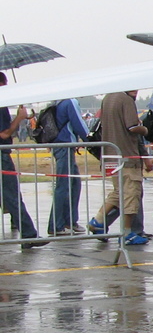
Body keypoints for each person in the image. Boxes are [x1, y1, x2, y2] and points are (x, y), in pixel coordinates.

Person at [88, 88, 150, 244]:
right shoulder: (126, 100)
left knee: (118, 192)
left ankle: (99, 220)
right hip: (127, 156)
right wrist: (144, 128)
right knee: (131, 196)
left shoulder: (108, 98)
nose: (136, 91)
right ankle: (128, 234)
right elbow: (132, 127)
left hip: (110, 155)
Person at [0, 78, 44, 248]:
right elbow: (4, 134)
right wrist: (19, 118)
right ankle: (28, 234)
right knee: (12, 196)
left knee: (10, 196)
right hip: (1, 155)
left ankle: (27, 232)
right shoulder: (1, 103)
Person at [45, 97, 90, 235]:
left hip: (61, 145)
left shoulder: (57, 102)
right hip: (65, 145)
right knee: (63, 185)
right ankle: (56, 225)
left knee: (74, 183)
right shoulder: (70, 102)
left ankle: (69, 221)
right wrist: (89, 138)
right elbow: (78, 123)